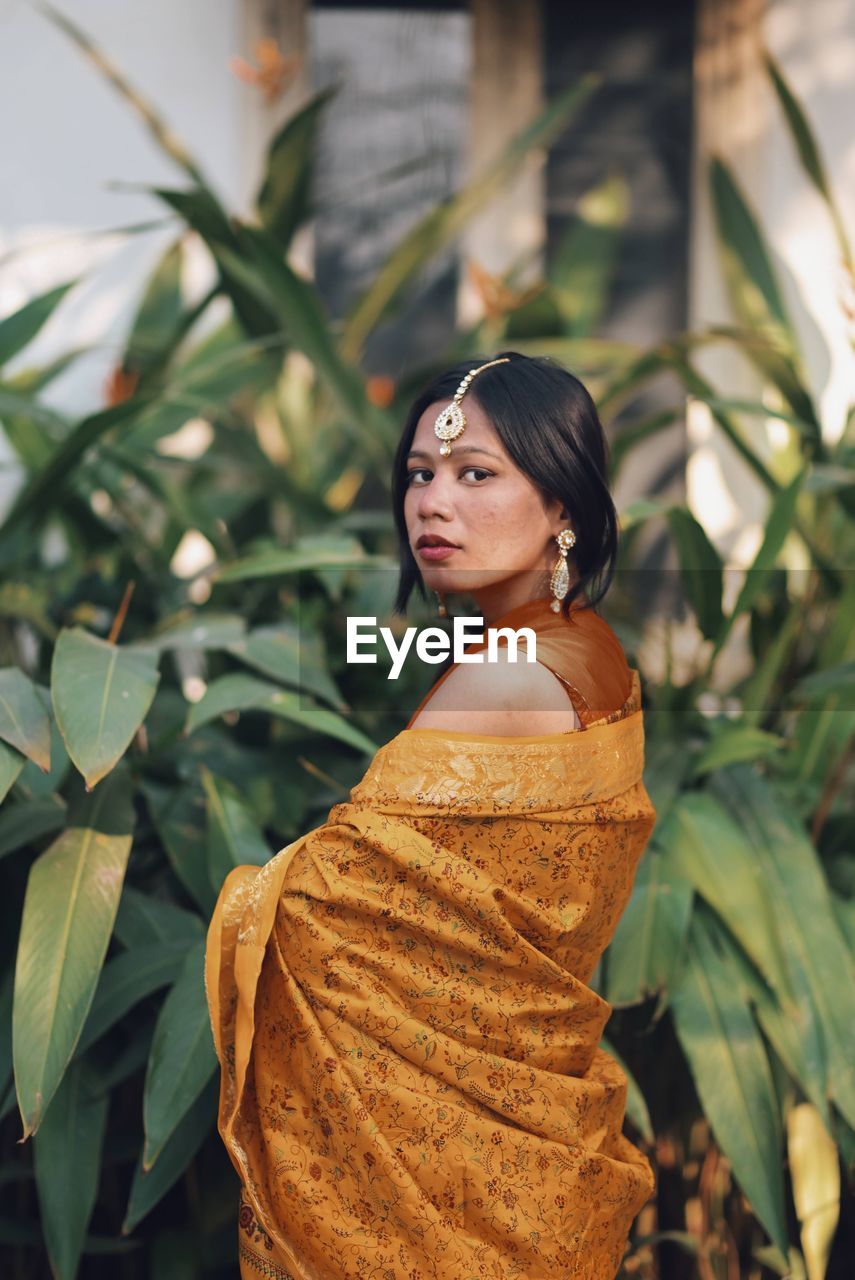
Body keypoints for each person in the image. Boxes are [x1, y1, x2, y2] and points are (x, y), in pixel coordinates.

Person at [204, 351, 657, 1280]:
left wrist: (253, 902)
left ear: (563, 504)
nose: (431, 503)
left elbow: (325, 904)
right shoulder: (586, 648)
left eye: (475, 473)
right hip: (521, 1146)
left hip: (450, 1179)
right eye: (419, 474)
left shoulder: (506, 676)